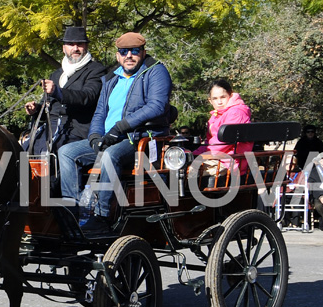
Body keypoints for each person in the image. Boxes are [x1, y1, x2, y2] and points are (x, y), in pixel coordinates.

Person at [58, 31, 173, 235]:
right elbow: (101, 111)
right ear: (118, 55)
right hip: (110, 138)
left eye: (134, 51)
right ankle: (71, 212)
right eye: (124, 51)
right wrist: (94, 136)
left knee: (110, 156)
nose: (129, 55)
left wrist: (120, 127)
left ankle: (102, 217)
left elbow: (156, 106)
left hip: (141, 138)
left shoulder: (156, 71)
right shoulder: (111, 77)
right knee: (66, 152)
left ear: (143, 52)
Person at [23, 26, 105, 155]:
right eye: (71, 44)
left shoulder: (96, 70)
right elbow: (49, 108)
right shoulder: (56, 75)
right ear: (64, 48)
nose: (75, 48)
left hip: (77, 130)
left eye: (79, 44)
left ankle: (51, 176)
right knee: (23, 150)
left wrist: (58, 92)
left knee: (49, 154)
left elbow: (88, 97)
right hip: (52, 128)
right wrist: (36, 109)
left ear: (86, 47)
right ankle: (25, 176)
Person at [192, 79, 253, 176]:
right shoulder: (216, 115)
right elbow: (210, 141)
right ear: (210, 101)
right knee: (178, 167)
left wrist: (200, 155)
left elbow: (223, 142)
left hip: (231, 161)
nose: (219, 102)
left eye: (223, 97)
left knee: (190, 171)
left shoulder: (236, 113)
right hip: (218, 157)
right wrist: (194, 153)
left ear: (230, 95)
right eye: (215, 98)